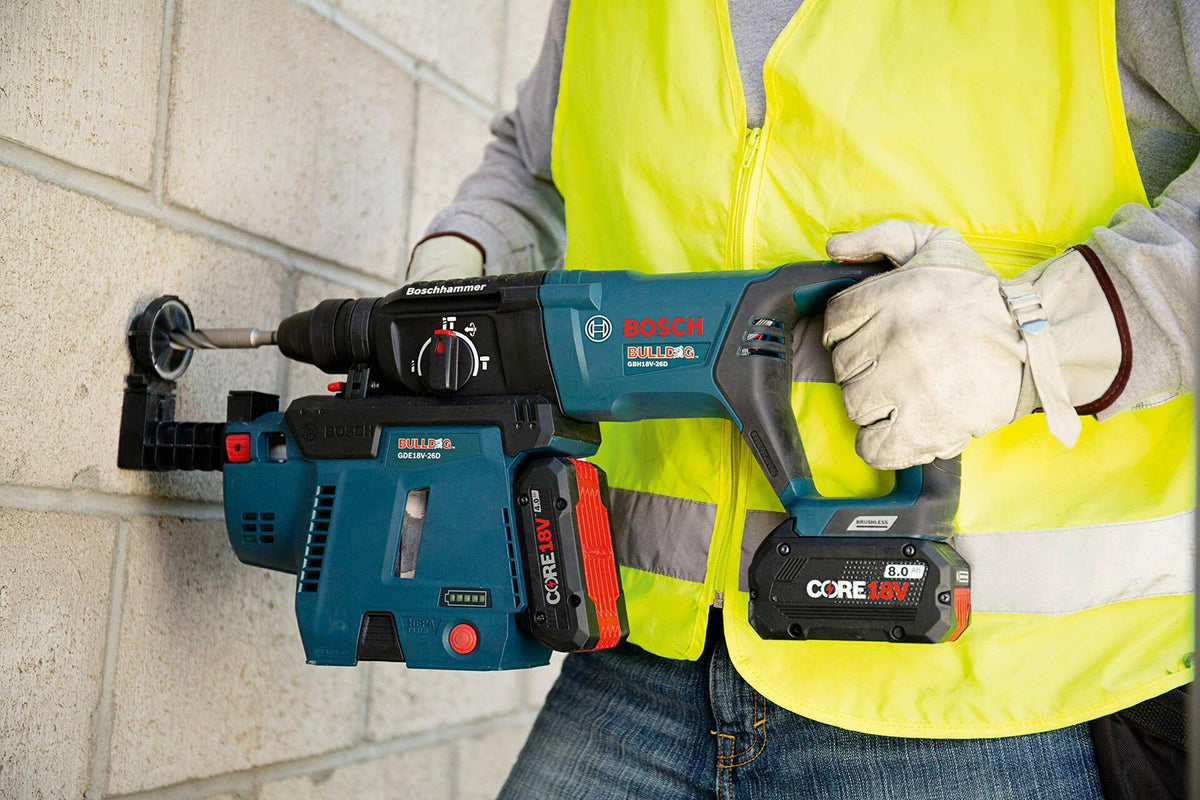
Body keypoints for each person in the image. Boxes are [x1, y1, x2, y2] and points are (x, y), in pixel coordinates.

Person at [409, 2, 1199, 797]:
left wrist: (1040, 332)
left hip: (998, 701)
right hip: (639, 659)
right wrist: (459, 259)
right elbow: (536, 165)